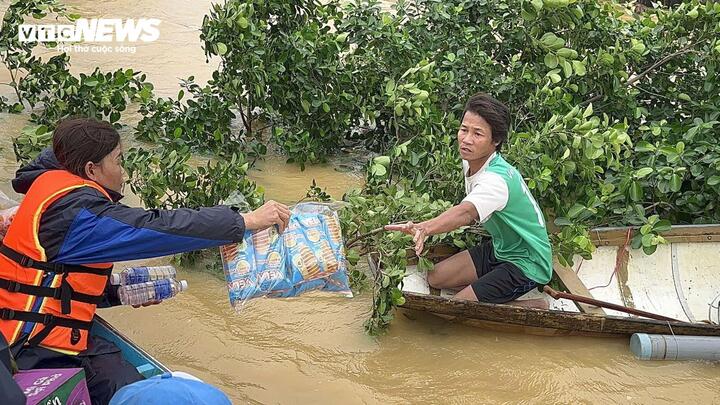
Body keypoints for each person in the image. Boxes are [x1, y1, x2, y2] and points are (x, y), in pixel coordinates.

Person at [0, 117, 290, 404]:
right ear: (91, 169)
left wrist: (115, 292)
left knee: (133, 387)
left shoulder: (53, 184)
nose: (123, 172)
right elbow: (159, 227)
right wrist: (245, 220)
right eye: (118, 160)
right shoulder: (79, 215)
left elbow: (49, 277)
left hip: (49, 330)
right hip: (33, 348)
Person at [385, 93, 552, 305]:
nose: (466, 139)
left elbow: (465, 212)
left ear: (496, 140)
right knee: (435, 278)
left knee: (454, 308)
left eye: (478, 134)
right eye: (464, 130)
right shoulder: (472, 161)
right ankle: (486, 292)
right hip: (502, 248)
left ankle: (534, 305)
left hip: (528, 264)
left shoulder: (496, 181)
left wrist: (425, 228)